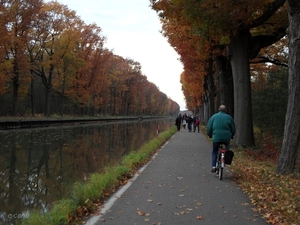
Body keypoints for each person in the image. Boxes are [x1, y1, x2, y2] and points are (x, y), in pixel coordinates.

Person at [206, 105, 236, 173]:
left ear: (218, 109)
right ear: (225, 110)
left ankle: (214, 166)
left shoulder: (213, 117)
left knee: (214, 151)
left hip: (216, 137)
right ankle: (225, 159)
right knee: (227, 150)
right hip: (226, 138)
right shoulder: (229, 118)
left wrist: (210, 135)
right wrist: (232, 135)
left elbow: (209, 128)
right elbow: (233, 129)